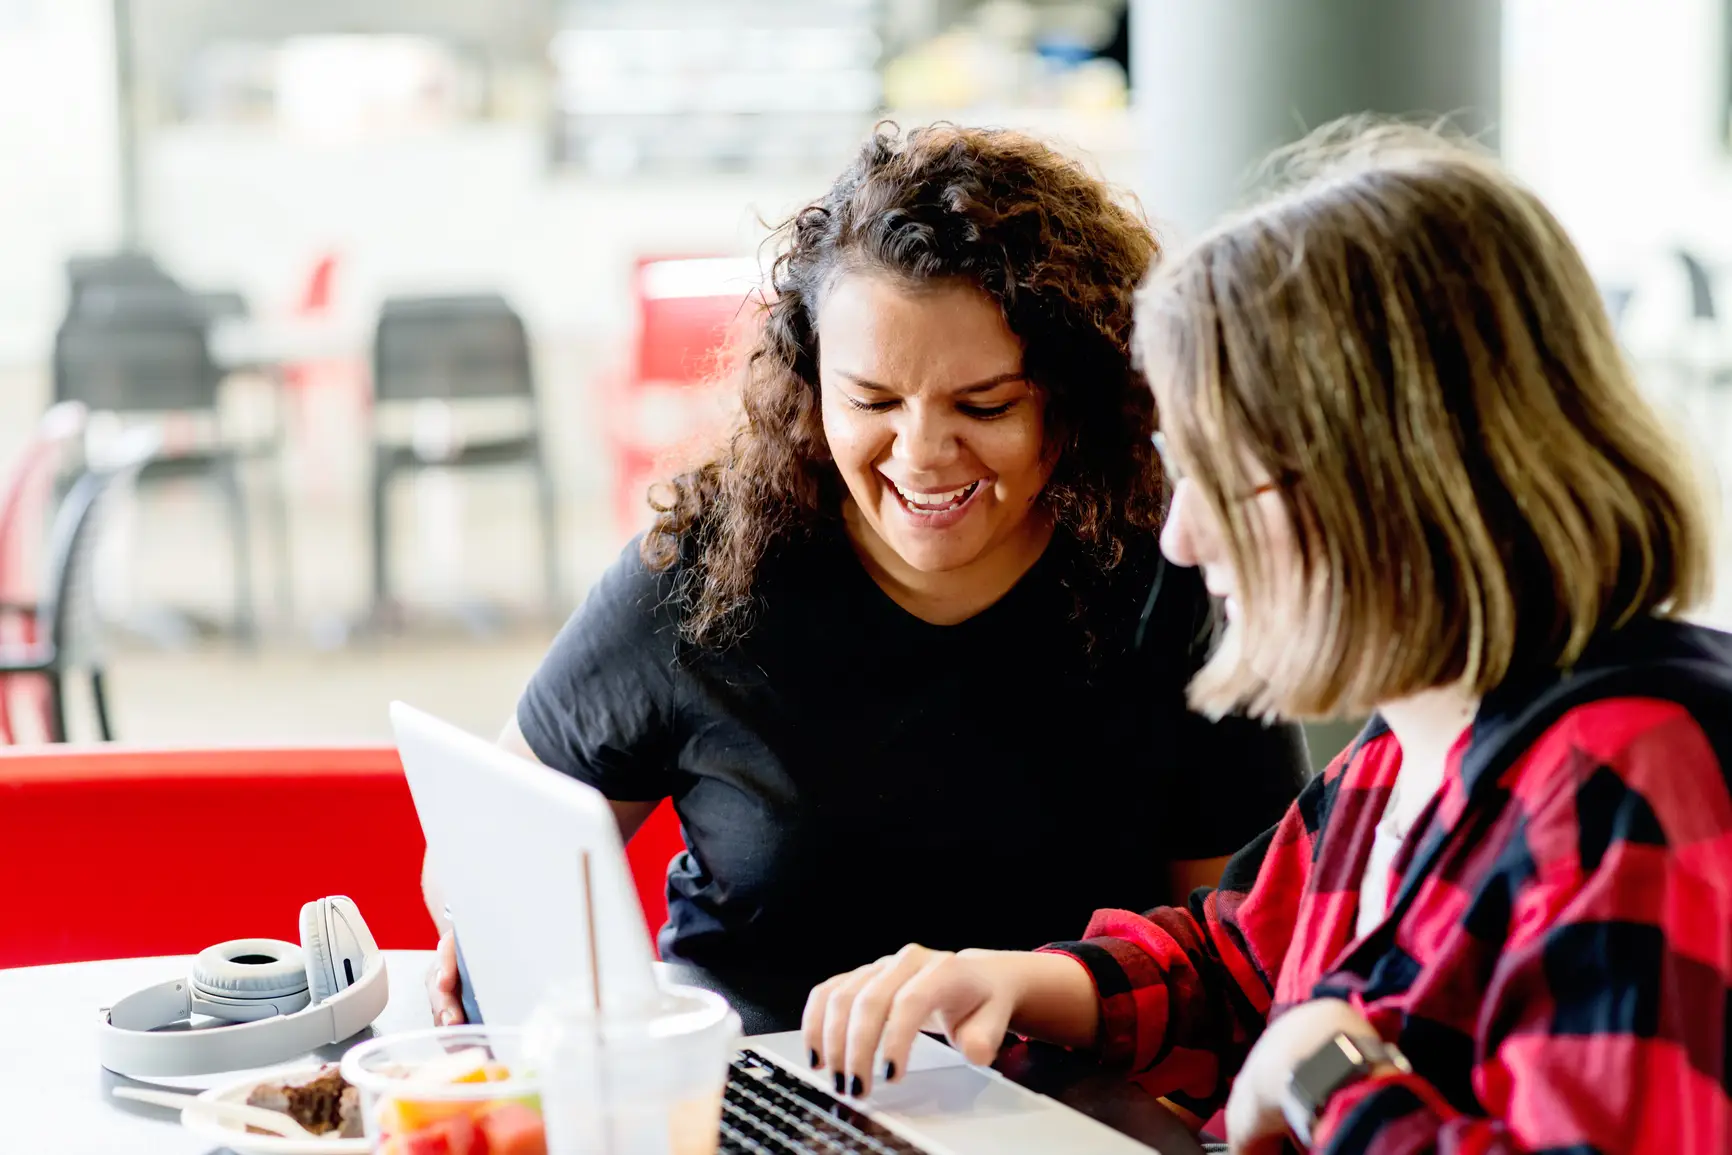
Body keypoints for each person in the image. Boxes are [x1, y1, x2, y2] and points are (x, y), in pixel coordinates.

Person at [803, 119, 1732, 1153]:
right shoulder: (1407, 749)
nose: (1182, 535)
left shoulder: (1621, 776)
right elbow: (1241, 963)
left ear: (1391, 481)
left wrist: (1328, 1079)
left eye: (1221, 476)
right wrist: (1015, 982)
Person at [425, 124, 1309, 1033]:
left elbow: (1248, 956)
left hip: (1063, 1104)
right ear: (811, 386)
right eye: (873, 401)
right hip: (756, 1092)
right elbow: (490, 845)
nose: (923, 454)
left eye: (986, 404)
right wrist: (486, 913)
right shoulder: (716, 571)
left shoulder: (1175, 574)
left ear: (1076, 395)